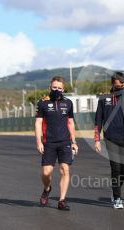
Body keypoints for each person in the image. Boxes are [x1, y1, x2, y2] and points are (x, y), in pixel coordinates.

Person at [94, 71, 124, 209]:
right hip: (110, 138)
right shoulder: (103, 98)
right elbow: (98, 120)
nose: (121, 85)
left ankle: (115, 189)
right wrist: (97, 139)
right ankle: (117, 197)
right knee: (116, 168)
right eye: (118, 83)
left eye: (123, 83)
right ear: (113, 83)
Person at [35, 76, 78, 211]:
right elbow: (38, 123)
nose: (57, 90)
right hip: (48, 142)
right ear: (50, 87)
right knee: (46, 173)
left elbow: (70, 123)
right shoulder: (42, 103)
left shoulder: (68, 103)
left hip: (65, 141)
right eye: (54, 87)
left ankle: (62, 200)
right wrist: (39, 142)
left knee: (65, 169)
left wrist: (74, 142)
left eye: (59, 88)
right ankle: (47, 189)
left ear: (63, 89)